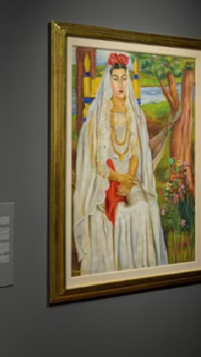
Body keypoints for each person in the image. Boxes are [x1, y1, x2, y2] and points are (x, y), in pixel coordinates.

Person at [73, 52, 168, 275]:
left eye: (124, 79)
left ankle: (139, 269)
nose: (121, 84)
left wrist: (130, 178)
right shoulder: (99, 116)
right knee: (121, 212)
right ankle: (117, 269)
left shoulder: (135, 115)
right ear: (109, 81)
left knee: (143, 207)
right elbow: (98, 161)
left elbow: (136, 152)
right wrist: (119, 177)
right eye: (115, 79)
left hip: (130, 177)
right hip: (106, 178)